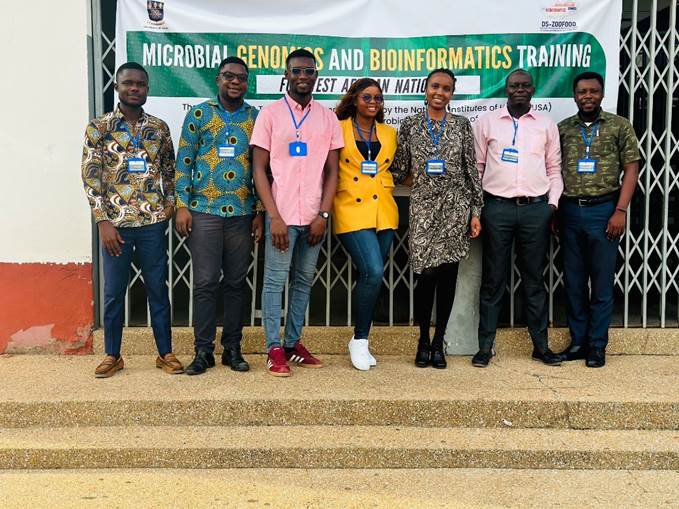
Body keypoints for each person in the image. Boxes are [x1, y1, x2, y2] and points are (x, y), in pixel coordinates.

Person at [81, 62, 183, 378]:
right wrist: (102, 222)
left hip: (152, 224)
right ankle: (113, 355)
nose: (134, 88)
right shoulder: (99, 128)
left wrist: (169, 205)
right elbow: (90, 176)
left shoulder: (159, 128)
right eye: (129, 83)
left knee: (157, 289)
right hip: (116, 226)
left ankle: (165, 353)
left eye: (140, 84)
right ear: (118, 86)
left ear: (147, 89)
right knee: (113, 293)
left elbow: (170, 169)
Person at [250, 49, 343, 377]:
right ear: (286, 75)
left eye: (309, 71)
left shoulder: (327, 117)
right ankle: (273, 348)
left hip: (314, 218)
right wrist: (274, 216)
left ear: (316, 76)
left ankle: (293, 343)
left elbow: (332, 172)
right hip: (283, 216)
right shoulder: (270, 115)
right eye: (297, 71)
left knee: (303, 281)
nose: (303, 76)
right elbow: (259, 169)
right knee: (275, 281)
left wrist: (324, 214)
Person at [174, 56, 263, 375]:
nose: (235, 82)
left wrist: (260, 212)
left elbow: (262, 169)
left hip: (241, 212)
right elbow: (184, 162)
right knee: (206, 282)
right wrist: (181, 205)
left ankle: (233, 349)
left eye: (241, 77)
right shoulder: (199, 113)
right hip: (204, 212)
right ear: (218, 79)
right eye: (229, 76)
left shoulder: (256, 117)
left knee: (237, 284)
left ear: (247, 82)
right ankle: (203, 352)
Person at [391, 68, 483, 369]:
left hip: (456, 208)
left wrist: (475, 212)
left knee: (447, 276)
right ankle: (422, 339)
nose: (439, 93)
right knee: (426, 275)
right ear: (425, 89)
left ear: (452, 93)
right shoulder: (410, 125)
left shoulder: (461, 126)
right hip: (424, 209)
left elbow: (472, 171)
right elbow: (399, 167)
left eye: (446, 88)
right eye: (434, 86)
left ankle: (438, 342)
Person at [472, 69, 563, 368]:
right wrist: (479, 208)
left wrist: (551, 205)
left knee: (534, 281)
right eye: (514, 86)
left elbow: (554, 169)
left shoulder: (546, 125)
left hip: (536, 210)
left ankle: (541, 347)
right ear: (506, 90)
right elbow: (478, 168)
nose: (519, 90)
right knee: (493, 280)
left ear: (533, 90)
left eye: (525, 86)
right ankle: (485, 347)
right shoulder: (487, 123)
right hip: (497, 209)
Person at [556, 71, 640, 368]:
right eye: (582, 92)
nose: (587, 96)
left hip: (605, 211)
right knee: (574, 282)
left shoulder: (619, 126)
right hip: (569, 212)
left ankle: (597, 345)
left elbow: (632, 168)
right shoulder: (563, 129)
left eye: (593, 91)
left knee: (601, 283)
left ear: (602, 94)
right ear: (574, 96)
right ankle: (578, 341)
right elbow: (553, 169)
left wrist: (620, 210)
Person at [333, 78, 398, 371]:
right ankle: (359, 340)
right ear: (355, 99)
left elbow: (400, 168)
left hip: (383, 210)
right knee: (372, 271)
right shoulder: (338, 127)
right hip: (350, 208)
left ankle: (362, 340)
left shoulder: (389, 133)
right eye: (367, 97)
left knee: (371, 276)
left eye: (378, 98)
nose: (373, 102)